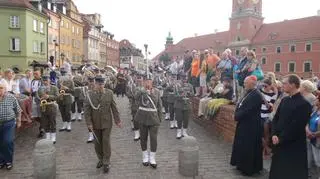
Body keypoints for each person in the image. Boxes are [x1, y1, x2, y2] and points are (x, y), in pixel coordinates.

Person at [270, 75, 312, 179]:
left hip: (293, 145)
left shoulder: (304, 104)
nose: (282, 85)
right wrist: (274, 134)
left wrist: (281, 138)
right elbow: (276, 118)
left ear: (293, 85)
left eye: (284, 83)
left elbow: (296, 126)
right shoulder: (285, 100)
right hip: (278, 141)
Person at [84, 76, 122, 173]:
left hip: (106, 122)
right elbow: (87, 111)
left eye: (102, 84)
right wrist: (89, 123)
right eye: (98, 84)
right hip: (95, 122)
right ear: (95, 84)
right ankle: (100, 159)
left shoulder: (109, 93)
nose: (100, 86)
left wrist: (117, 120)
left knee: (105, 141)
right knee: (97, 143)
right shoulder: (89, 95)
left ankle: (106, 162)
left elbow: (114, 107)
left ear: (104, 84)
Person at [230, 75, 263, 176]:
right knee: (242, 145)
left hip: (251, 125)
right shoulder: (249, 93)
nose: (244, 84)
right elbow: (241, 105)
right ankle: (241, 164)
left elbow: (248, 110)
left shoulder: (256, 95)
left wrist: (237, 116)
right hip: (245, 123)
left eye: (245, 83)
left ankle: (248, 168)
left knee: (249, 146)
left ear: (252, 83)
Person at [134, 79, 162, 168]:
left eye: (149, 81)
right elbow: (135, 98)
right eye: (146, 81)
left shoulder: (157, 91)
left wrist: (159, 119)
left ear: (152, 82)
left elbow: (159, 106)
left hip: (153, 119)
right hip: (142, 118)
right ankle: (145, 156)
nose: (147, 83)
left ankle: (152, 158)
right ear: (143, 82)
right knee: (143, 138)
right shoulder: (140, 91)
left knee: (154, 139)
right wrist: (143, 92)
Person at [0, 82, 22, 170]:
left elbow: (18, 110)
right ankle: (1, 161)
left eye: (1, 88)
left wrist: (19, 121)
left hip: (8, 123)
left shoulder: (11, 97)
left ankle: (8, 160)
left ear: (5, 89)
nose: (0, 90)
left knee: (8, 141)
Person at [37, 75, 59, 144]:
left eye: (46, 80)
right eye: (44, 81)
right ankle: (48, 136)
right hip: (43, 107)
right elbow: (37, 96)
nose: (45, 82)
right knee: (45, 122)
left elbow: (57, 97)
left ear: (49, 80)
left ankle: (53, 137)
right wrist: (40, 98)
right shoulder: (40, 88)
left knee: (52, 121)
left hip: (52, 106)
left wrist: (48, 96)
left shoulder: (54, 87)